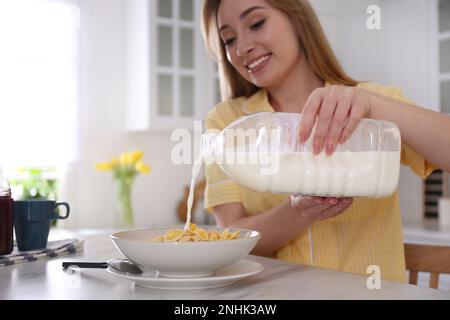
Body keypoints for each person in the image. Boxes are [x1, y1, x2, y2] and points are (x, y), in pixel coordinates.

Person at [201, 0, 450, 282]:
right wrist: (299, 211)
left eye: (257, 24)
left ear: (297, 19)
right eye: (229, 39)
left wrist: (373, 106)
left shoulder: (370, 102)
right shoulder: (226, 122)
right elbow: (231, 237)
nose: (242, 47)